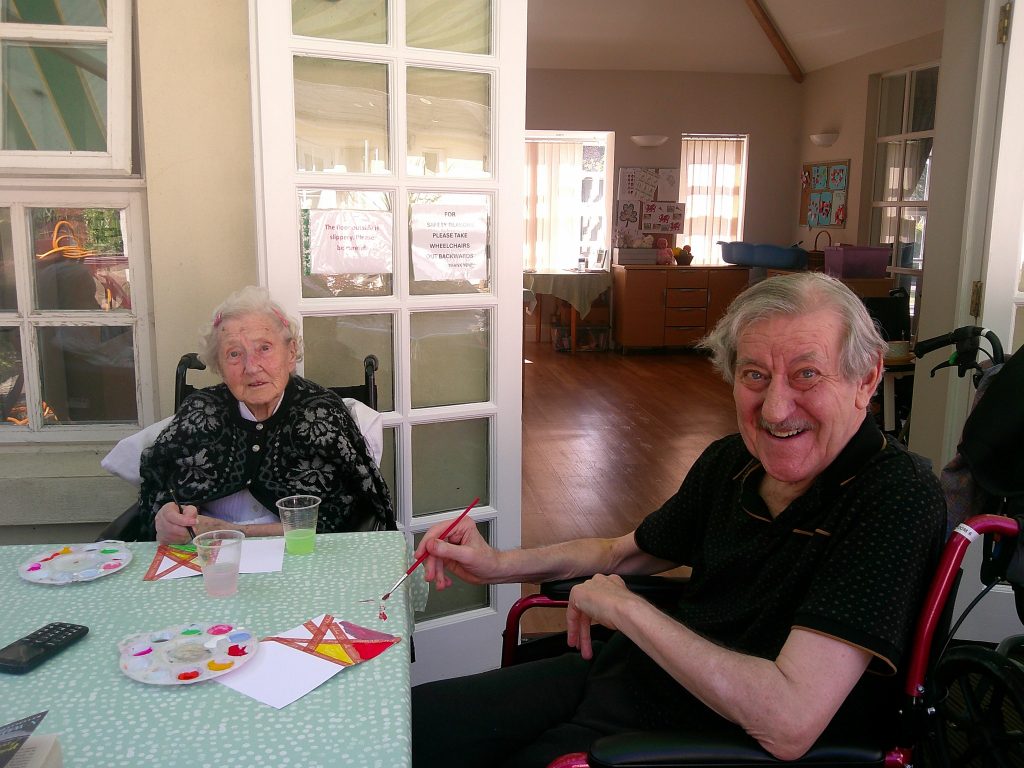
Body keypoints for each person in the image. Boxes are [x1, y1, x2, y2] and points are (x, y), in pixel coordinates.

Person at [411, 272, 946, 767]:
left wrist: (630, 612)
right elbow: (621, 552)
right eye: (754, 375)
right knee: (408, 727)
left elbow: (789, 721)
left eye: (807, 374)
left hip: (699, 740)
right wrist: (495, 564)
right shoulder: (732, 463)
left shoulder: (895, 497)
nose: (777, 408)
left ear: (866, 378)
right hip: (628, 677)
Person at [138, 286, 392, 542]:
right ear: (220, 367)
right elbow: (157, 487)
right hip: (205, 562)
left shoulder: (323, 415)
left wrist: (232, 533)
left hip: (302, 560)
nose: (251, 367)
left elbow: (349, 516)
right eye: (234, 354)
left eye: (265, 348)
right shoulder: (198, 411)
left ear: (291, 354)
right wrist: (164, 517)